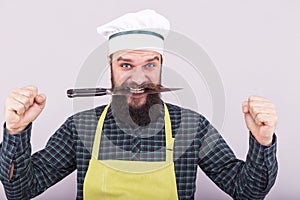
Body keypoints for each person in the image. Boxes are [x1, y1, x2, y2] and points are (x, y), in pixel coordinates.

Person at [0, 10, 278, 200]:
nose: (138, 78)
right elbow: (20, 191)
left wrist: (262, 143)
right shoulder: (80, 127)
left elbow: (247, 193)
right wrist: (16, 132)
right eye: (126, 65)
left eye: (149, 65)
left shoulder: (192, 127)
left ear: (161, 66)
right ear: (110, 66)